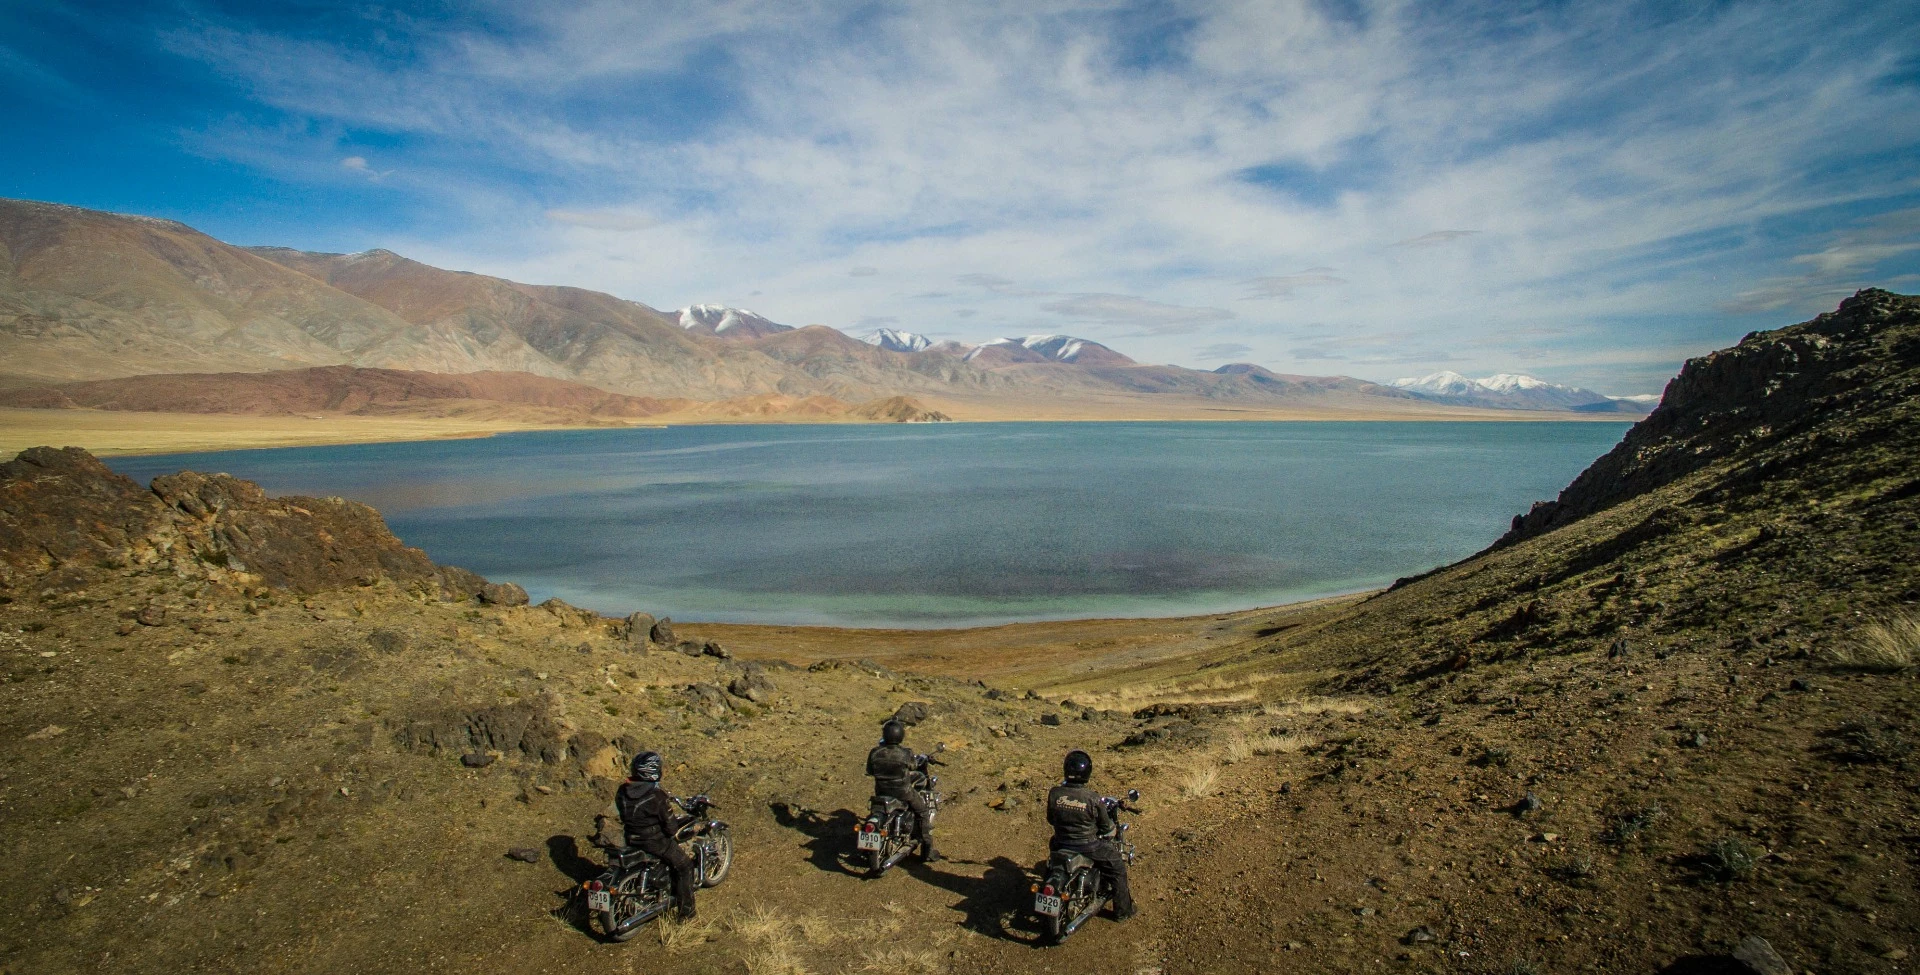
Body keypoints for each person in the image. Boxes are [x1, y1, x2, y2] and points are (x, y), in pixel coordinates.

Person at [1045, 749, 1135, 920]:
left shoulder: (1054, 793)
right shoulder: (1092, 798)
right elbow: (1106, 827)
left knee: (1052, 862)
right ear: (1087, 772)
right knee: (1117, 867)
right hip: (1088, 845)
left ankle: (1051, 882)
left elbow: (1051, 819)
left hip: (1061, 842)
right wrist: (1110, 831)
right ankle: (1123, 911)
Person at [613, 750, 697, 919]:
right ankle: (686, 912)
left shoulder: (623, 790)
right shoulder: (657, 795)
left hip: (630, 838)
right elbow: (671, 829)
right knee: (684, 865)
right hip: (654, 841)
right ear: (654, 771)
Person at [865, 719, 940, 862]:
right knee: (923, 812)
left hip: (881, 792)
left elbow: (870, 771)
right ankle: (928, 851)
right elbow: (913, 766)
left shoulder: (874, 752)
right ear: (900, 736)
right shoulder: (905, 753)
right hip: (903, 792)